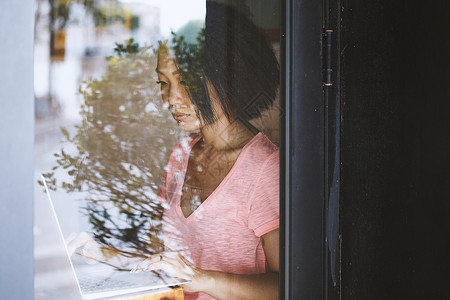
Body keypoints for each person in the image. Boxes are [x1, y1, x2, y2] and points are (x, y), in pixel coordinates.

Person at [69, 2, 280, 299]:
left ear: (225, 75)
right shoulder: (182, 155)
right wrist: (101, 254)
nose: (172, 98)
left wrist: (203, 279)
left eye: (186, 80)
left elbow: (290, 287)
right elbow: (164, 263)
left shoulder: (266, 169)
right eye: (163, 83)